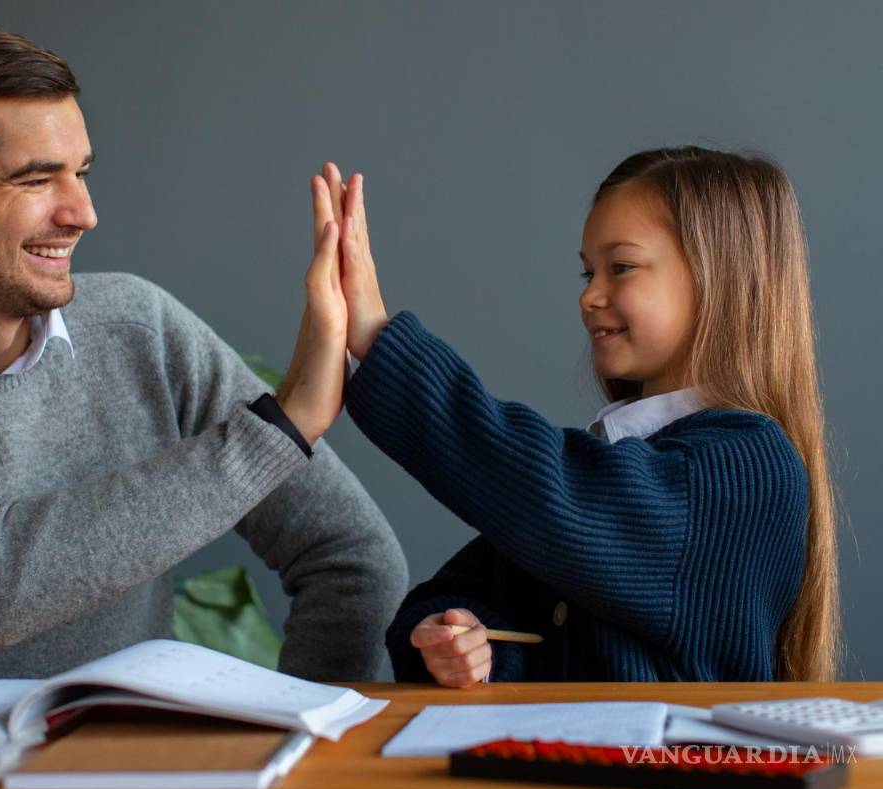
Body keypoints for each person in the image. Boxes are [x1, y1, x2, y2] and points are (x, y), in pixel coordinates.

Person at [0, 27, 407, 680]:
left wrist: (308, 735)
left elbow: (355, 557)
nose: (82, 212)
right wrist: (279, 432)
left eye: (80, 172)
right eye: (36, 179)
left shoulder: (142, 327)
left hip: (134, 777)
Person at [303, 148, 838, 685]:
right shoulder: (621, 462)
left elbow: (550, 492)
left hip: (665, 769)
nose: (589, 296)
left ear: (720, 278)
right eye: (588, 272)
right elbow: (462, 594)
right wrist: (468, 641)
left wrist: (378, 339)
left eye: (620, 267)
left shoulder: (748, 470)